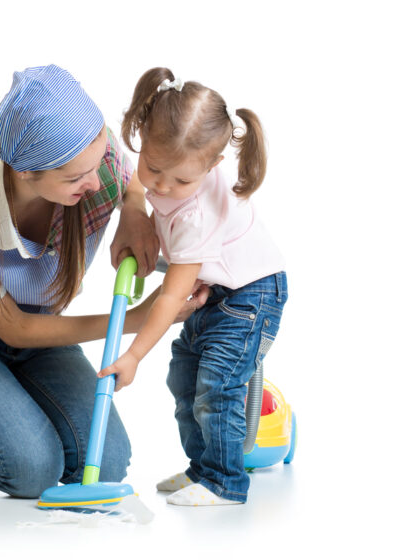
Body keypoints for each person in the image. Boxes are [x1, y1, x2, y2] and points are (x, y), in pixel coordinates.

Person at [0, 65, 208, 498]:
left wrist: (134, 209)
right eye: (76, 178)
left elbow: (132, 177)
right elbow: (13, 328)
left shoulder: (88, 153)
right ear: (24, 172)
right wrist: (138, 318)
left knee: (104, 465)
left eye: (100, 162)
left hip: (38, 328)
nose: (98, 181)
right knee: (30, 471)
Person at [97, 67, 288, 506]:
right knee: (184, 376)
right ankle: (202, 469)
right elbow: (138, 183)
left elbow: (171, 295)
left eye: (181, 180)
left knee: (217, 385)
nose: (163, 185)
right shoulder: (174, 165)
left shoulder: (194, 214)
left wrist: (133, 355)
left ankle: (224, 482)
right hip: (218, 292)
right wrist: (135, 206)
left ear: (213, 165)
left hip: (251, 295)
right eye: (153, 166)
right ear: (142, 138)